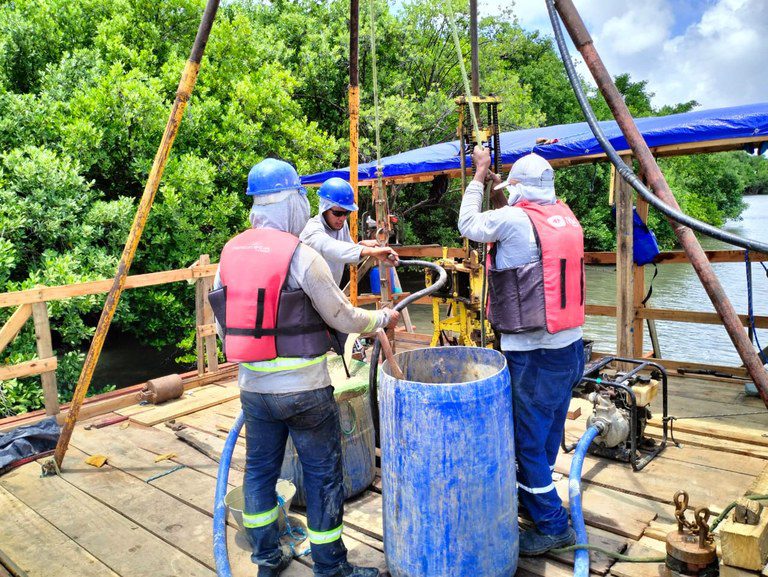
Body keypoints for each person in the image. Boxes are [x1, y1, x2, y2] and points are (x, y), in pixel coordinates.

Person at [210, 159, 398, 577]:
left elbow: (223, 322)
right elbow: (343, 317)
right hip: (306, 392)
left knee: (259, 473)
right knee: (322, 477)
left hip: (254, 391)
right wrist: (381, 319)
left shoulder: (229, 255)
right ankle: (331, 567)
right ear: (294, 202)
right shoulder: (302, 255)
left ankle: (267, 560)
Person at [458, 146, 585, 556]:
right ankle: (538, 499)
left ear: (519, 189)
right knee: (547, 433)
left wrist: (478, 175)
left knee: (525, 441)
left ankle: (551, 525)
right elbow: (517, 225)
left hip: (533, 354)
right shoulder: (565, 217)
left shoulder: (513, 218)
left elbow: (469, 223)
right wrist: (502, 189)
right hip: (570, 348)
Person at [300, 177, 398, 287]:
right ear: (324, 209)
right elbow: (328, 247)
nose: (342, 218)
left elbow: (350, 258)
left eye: (346, 213)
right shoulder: (311, 230)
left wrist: (362, 245)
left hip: (329, 292)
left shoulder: (341, 225)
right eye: (337, 213)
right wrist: (366, 250)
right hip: (306, 297)